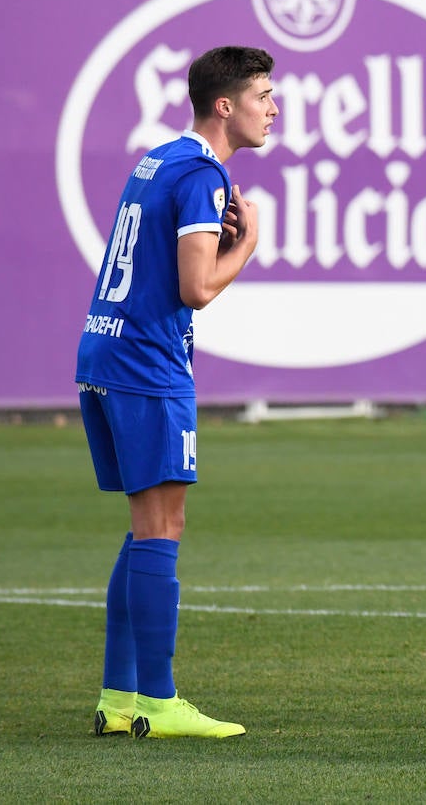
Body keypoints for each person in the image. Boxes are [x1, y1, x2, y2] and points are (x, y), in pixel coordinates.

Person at [75, 46, 275, 739]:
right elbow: (196, 288)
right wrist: (245, 246)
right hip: (147, 363)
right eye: (263, 95)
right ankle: (160, 702)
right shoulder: (201, 175)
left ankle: (119, 698)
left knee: (143, 530)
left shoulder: (158, 159)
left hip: (103, 349)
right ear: (226, 105)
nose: (273, 108)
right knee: (162, 528)